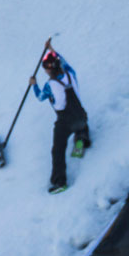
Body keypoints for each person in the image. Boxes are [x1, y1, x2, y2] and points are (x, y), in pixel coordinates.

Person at [31, 47, 91, 194]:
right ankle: (81, 140)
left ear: (48, 70)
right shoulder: (71, 73)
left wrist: (34, 85)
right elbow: (64, 62)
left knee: (58, 150)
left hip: (65, 122)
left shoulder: (50, 85)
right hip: (81, 116)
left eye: (45, 68)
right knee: (81, 124)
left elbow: (40, 97)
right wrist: (53, 50)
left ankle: (60, 181)